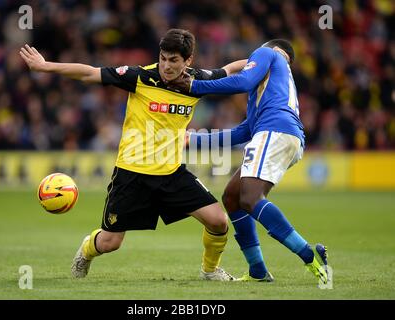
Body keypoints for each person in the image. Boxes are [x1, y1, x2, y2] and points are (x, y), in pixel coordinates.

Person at [19, 29, 248, 281]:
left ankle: (210, 271)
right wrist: (45, 66)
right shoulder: (139, 76)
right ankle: (86, 251)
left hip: (171, 173)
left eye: (174, 60)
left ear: (188, 61)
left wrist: (268, 58)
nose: (166, 65)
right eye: (163, 58)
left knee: (218, 221)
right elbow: (89, 73)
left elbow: (230, 69)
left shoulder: (197, 82)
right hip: (132, 175)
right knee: (110, 242)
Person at [169, 39, 329, 284]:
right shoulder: (272, 89)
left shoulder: (268, 53)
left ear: (276, 51)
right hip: (282, 134)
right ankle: (258, 270)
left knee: (251, 198)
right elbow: (243, 132)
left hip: (275, 131)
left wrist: (194, 86)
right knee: (232, 197)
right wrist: (193, 140)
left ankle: (308, 254)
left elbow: (243, 81)